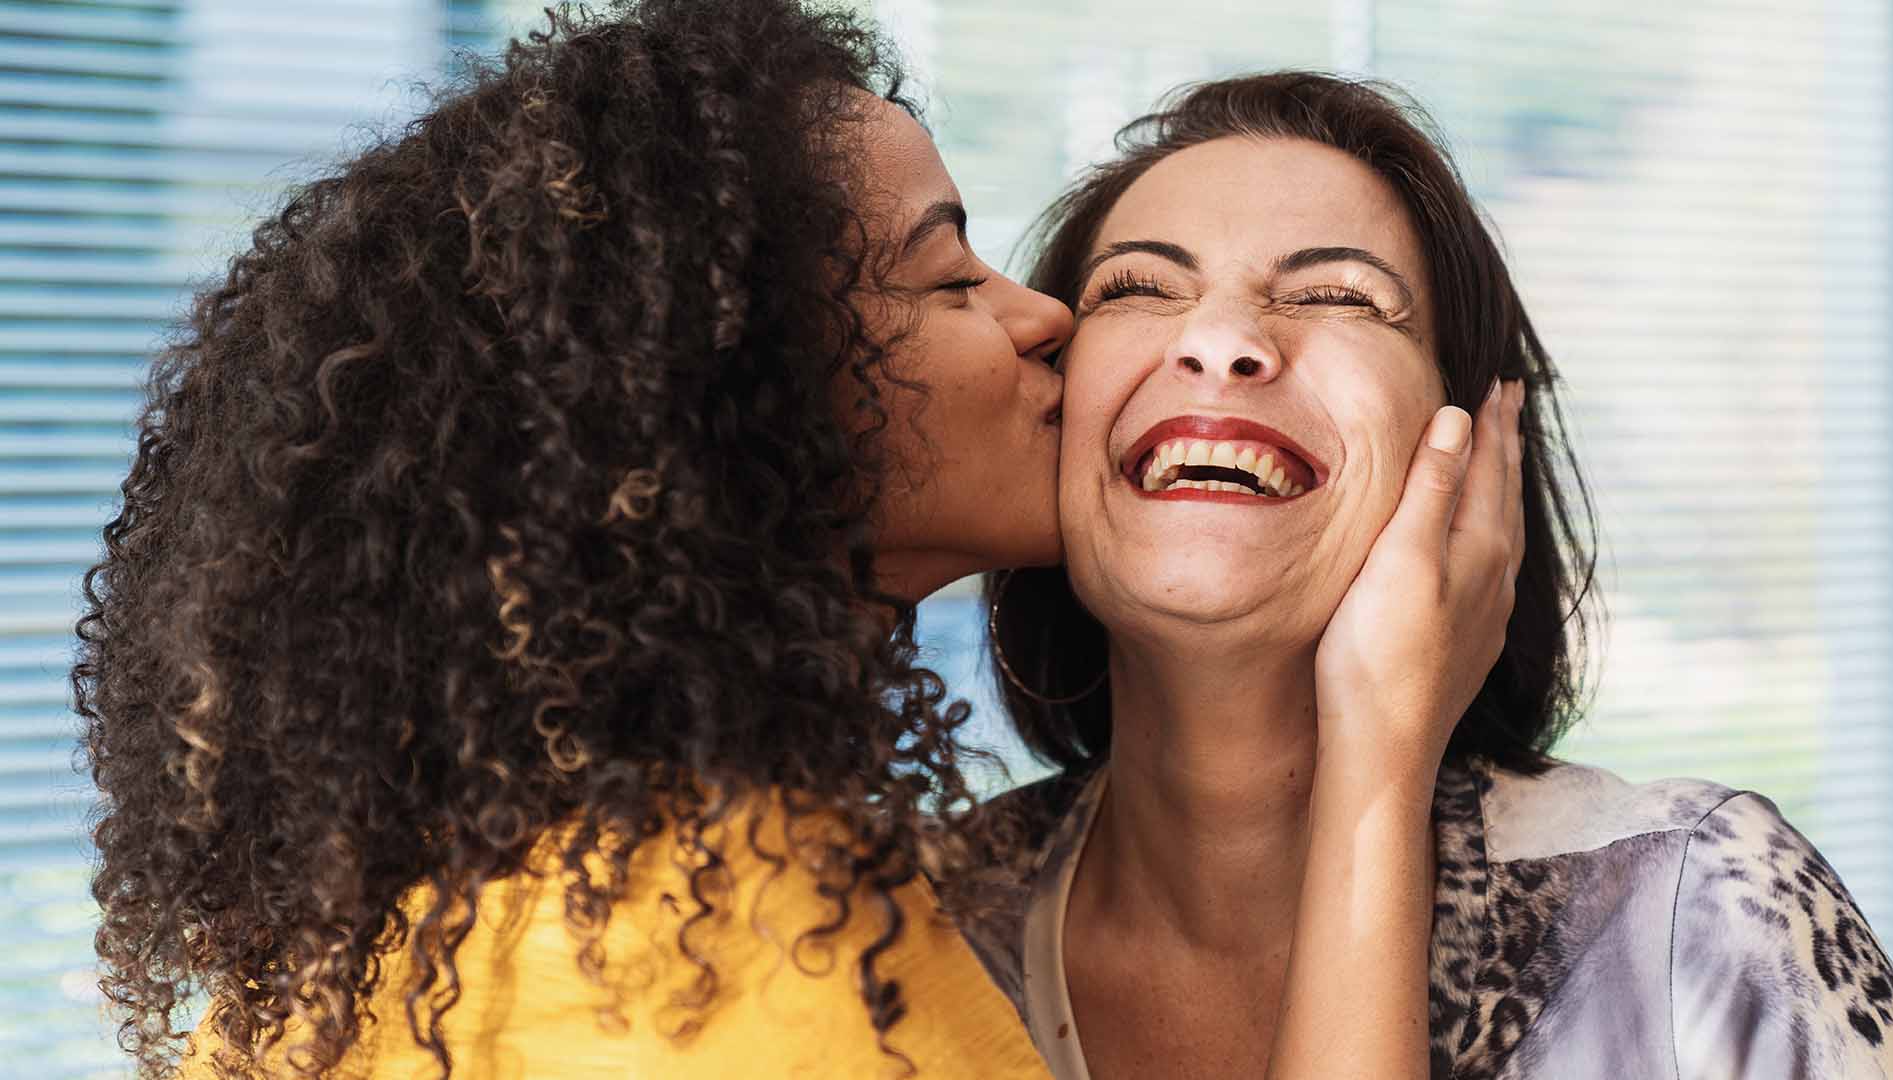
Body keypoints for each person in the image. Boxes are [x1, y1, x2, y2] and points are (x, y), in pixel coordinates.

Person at [76, 1, 1517, 1074]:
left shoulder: (439, 922)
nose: (1047, 322)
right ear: (739, 411)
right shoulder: (758, 983)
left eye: (1335, 298)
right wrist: (1379, 767)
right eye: (948, 278)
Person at [977, 71, 1893, 1080]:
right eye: (1137, 289)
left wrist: (1378, 766)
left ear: (1477, 454)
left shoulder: (1697, 903)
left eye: (1337, 295)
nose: (1219, 341)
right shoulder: (910, 924)